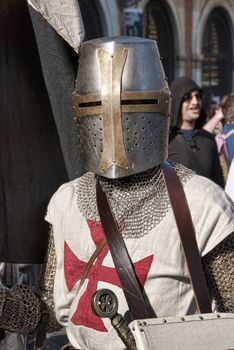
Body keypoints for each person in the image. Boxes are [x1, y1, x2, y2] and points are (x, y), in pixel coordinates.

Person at [0, 37, 233, 350]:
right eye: (94, 104)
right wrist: (6, 305)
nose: (112, 118)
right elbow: (54, 311)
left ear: (158, 105)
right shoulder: (67, 201)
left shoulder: (203, 204)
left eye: (132, 103)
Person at [168, 77, 225, 188]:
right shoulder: (165, 141)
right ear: (177, 101)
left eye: (198, 96)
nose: (195, 102)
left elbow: (218, 185)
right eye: (187, 97)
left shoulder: (208, 139)